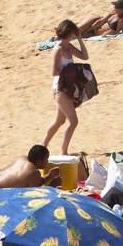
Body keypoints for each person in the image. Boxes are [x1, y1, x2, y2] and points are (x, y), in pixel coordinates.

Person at [43, 20, 89, 153]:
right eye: (75, 33)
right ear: (69, 33)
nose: (75, 35)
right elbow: (54, 71)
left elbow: (84, 56)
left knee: (59, 120)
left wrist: (80, 40)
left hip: (68, 87)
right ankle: (63, 151)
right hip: (60, 88)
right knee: (73, 121)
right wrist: (69, 71)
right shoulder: (58, 49)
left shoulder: (68, 46)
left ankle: (43, 145)